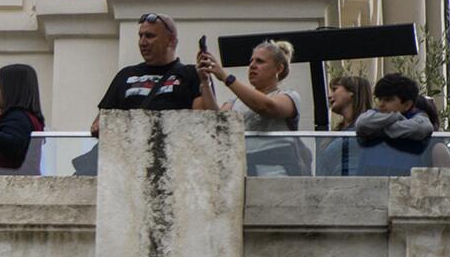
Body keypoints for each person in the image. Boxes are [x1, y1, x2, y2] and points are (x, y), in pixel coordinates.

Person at [92, 12, 208, 136]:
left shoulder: (191, 73)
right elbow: (98, 124)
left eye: (149, 36)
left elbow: (201, 120)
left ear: (170, 40)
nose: (143, 42)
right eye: (140, 36)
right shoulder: (125, 75)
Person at [198, 37, 302, 175]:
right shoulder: (236, 101)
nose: (252, 65)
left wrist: (225, 77)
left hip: (276, 174)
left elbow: (267, 107)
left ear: (279, 68)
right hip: (242, 173)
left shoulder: (290, 96)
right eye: (251, 61)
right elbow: (216, 121)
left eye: (260, 61)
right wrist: (205, 81)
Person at [349, 73, 437, 174]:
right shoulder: (372, 115)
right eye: (379, 99)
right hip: (369, 182)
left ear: (407, 104)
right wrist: (395, 116)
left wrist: (379, 129)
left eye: (388, 100)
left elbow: (422, 128)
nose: (381, 104)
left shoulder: (419, 119)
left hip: (404, 183)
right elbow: (361, 123)